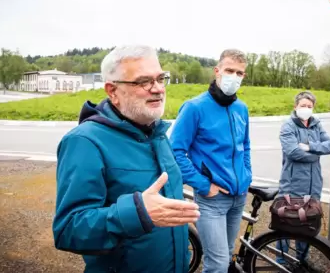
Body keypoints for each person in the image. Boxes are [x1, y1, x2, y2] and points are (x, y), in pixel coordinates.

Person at [52, 45, 200, 273]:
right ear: (112, 91)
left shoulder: (157, 133)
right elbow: (68, 230)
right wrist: (138, 213)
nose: (158, 89)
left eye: (161, 78)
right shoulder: (85, 142)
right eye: (144, 82)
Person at [170, 49, 252, 273]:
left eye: (239, 73)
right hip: (211, 201)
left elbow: (245, 147)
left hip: (238, 197)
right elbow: (175, 151)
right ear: (217, 71)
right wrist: (204, 185)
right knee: (216, 265)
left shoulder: (241, 108)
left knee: (225, 258)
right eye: (229, 70)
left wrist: (246, 176)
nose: (233, 76)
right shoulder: (194, 107)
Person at [275, 90, 330, 266]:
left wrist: (309, 147)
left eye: (309, 106)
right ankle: (282, 261)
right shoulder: (288, 126)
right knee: (286, 222)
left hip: (313, 184)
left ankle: (302, 259)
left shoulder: (316, 125)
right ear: (296, 106)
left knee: (307, 222)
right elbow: (293, 152)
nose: (306, 109)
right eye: (303, 105)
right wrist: (316, 154)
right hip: (292, 184)